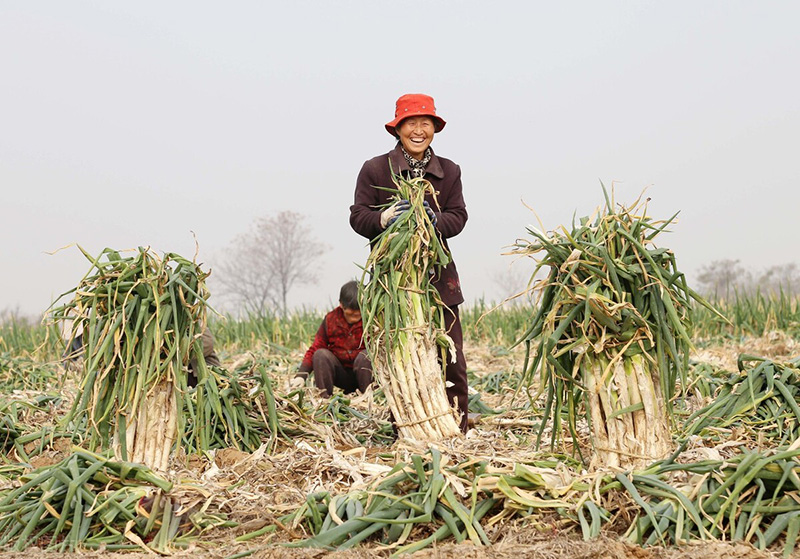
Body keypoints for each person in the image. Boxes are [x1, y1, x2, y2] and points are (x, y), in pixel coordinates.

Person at [349, 93, 470, 433]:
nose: (419, 130)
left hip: (438, 279)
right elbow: (357, 216)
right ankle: (406, 426)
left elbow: (459, 217)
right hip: (394, 283)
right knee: (402, 355)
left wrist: (437, 221)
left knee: (451, 357)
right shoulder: (375, 169)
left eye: (425, 124)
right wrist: (383, 218)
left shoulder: (449, 171)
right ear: (398, 129)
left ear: (435, 128)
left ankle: (457, 430)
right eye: (411, 124)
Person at [293, 280, 373, 397]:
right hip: (341, 374)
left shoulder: (372, 320)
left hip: (365, 375)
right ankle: (324, 398)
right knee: (320, 355)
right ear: (341, 305)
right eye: (351, 313)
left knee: (365, 356)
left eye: (358, 313)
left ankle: (368, 398)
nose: (355, 317)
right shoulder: (331, 320)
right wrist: (301, 375)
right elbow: (316, 347)